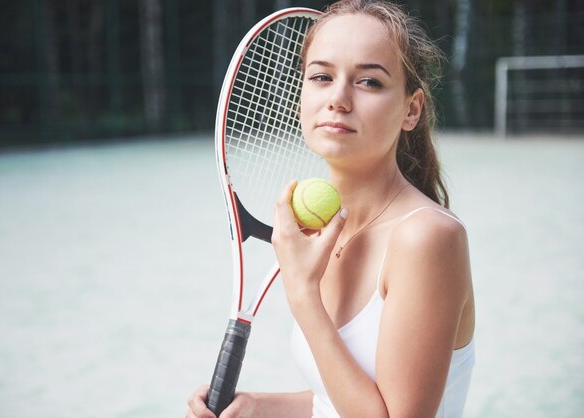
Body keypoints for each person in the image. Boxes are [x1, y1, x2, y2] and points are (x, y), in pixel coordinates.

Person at [187, 0, 475, 416]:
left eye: (370, 82)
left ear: (411, 110)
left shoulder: (427, 237)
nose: (338, 98)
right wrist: (256, 407)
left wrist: (304, 296)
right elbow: (336, 402)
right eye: (321, 76)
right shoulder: (322, 236)